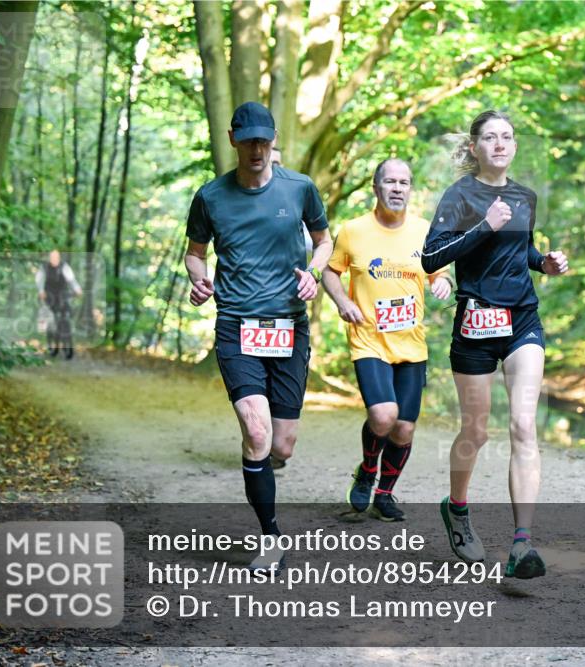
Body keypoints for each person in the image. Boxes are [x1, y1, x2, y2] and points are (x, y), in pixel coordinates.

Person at [185, 101, 332, 570]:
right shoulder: (211, 197)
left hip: (289, 326)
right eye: (247, 140)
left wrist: (313, 272)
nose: (256, 149)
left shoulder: (301, 188)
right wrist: (199, 278)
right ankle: (271, 536)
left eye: (263, 140)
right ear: (233, 139)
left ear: (273, 139)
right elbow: (194, 253)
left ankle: (260, 462)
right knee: (256, 429)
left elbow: (325, 240)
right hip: (236, 325)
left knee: (281, 444)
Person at [421, 110, 569, 579]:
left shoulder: (525, 197)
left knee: (524, 426)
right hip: (475, 323)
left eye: (507, 137)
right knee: (477, 432)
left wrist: (543, 263)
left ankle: (522, 542)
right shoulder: (460, 195)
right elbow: (431, 257)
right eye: (490, 137)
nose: (500, 144)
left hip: (522, 320)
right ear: (474, 147)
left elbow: (520, 252)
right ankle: (458, 509)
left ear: (514, 145)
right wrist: (483, 225)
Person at [323, 158, 453, 522]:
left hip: (411, 344)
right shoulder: (353, 231)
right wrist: (344, 301)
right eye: (390, 181)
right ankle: (367, 471)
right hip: (369, 340)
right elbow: (330, 273)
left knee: (404, 427)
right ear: (376, 187)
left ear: (411, 189)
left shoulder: (425, 231)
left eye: (404, 182)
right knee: (383, 415)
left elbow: (440, 273)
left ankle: (385, 493)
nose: (397, 188)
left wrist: (442, 281)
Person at [36, 250, 82, 359]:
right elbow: (40, 280)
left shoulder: (64, 266)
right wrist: (41, 291)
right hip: (50, 296)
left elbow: (72, 280)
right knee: (51, 321)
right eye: (52, 257)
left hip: (63, 295)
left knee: (65, 318)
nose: (54, 259)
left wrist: (77, 289)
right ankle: (52, 346)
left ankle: (68, 347)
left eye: (56, 257)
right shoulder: (44, 267)